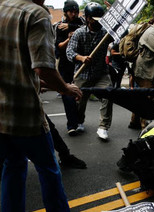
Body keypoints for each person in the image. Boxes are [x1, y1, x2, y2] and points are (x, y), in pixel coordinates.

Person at [0, 0, 83, 210]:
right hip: (25, 114)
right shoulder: (36, 15)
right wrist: (65, 88)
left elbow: (16, 63)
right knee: (49, 168)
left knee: (13, 166)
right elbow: (43, 67)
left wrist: (40, 83)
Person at [67, 2, 114, 140]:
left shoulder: (106, 33)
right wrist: (81, 58)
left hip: (101, 73)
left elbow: (120, 36)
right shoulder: (79, 33)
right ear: (87, 18)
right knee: (80, 100)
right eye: (94, 19)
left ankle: (103, 127)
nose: (97, 22)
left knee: (108, 94)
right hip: (83, 73)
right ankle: (80, 121)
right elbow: (70, 52)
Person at [55, 0, 85, 136]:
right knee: (67, 94)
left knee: (80, 94)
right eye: (71, 12)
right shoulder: (60, 27)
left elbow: (86, 26)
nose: (74, 14)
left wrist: (71, 26)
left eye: (75, 11)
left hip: (80, 64)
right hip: (65, 65)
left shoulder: (81, 22)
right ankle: (71, 124)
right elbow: (59, 47)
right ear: (65, 12)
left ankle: (79, 120)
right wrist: (69, 38)